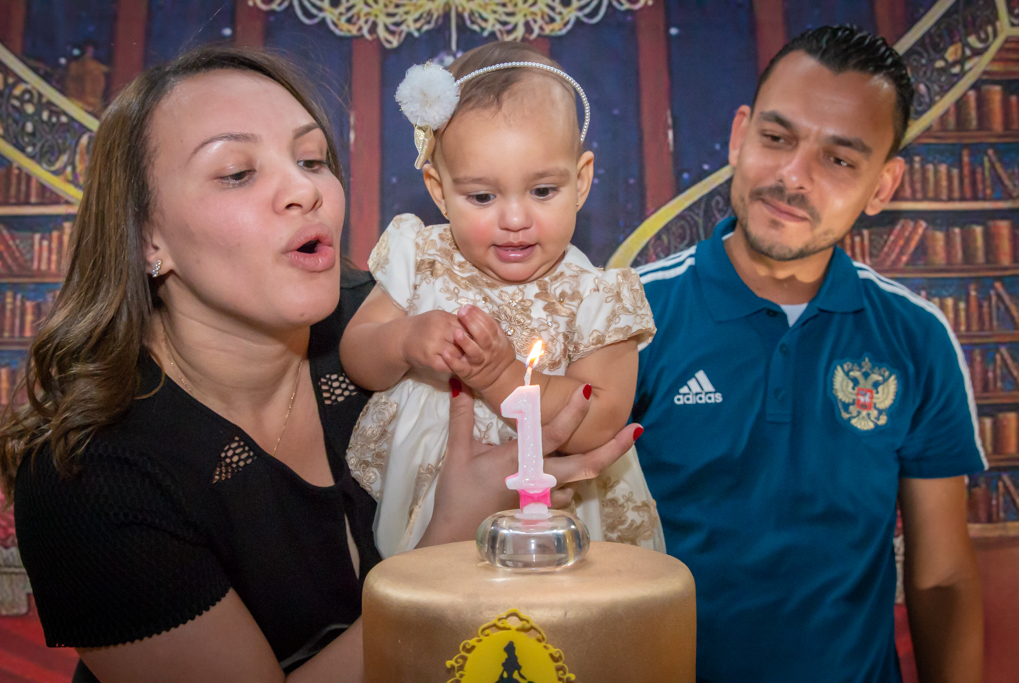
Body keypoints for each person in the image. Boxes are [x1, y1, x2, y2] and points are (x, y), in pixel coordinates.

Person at [0, 46, 641, 683]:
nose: (305, 190)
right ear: (146, 235)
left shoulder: (406, 322)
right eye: (237, 172)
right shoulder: (89, 474)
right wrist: (447, 545)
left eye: (311, 160)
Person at [633, 26, 984, 682]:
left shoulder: (916, 337)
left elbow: (940, 578)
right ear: (740, 135)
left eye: (839, 159)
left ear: (883, 186)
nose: (792, 176)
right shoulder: (630, 317)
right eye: (776, 137)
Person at [341, 42, 662, 557]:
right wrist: (403, 339)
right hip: (435, 506)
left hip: (558, 514)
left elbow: (599, 420)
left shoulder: (596, 295)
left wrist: (499, 377)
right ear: (439, 190)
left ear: (580, 181)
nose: (515, 219)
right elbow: (357, 355)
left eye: (543, 191)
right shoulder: (421, 257)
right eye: (483, 197)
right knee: (432, 600)